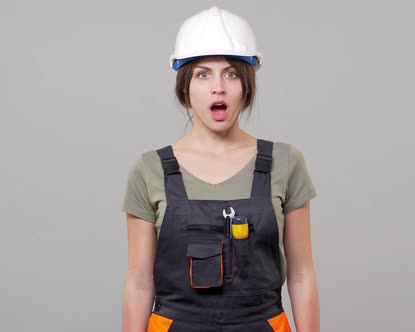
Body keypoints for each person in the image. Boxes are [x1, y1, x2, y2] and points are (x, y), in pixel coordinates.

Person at [121, 6, 320, 332]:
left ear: (246, 85)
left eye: (231, 74)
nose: (218, 87)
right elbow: (140, 282)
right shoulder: (149, 170)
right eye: (202, 74)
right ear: (185, 87)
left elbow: (301, 274)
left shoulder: (285, 162)